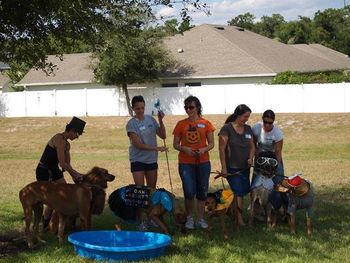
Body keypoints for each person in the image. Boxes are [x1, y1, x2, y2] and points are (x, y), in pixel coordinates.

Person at [36, 116, 86, 229]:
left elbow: (67, 165)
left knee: (64, 193)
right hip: (44, 170)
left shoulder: (67, 145)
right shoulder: (58, 139)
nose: (77, 137)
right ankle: (44, 224)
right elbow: (63, 164)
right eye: (78, 134)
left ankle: (66, 220)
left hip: (54, 170)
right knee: (50, 198)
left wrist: (76, 176)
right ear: (72, 130)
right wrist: (76, 173)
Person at [173, 95, 215, 229]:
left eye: (191, 107)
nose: (188, 110)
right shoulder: (181, 124)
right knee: (189, 191)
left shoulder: (206, 123)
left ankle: (201, 218)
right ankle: (190, 218)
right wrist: (184, 148)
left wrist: (203, 149)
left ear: (197, 107)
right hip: (186, 163)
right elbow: (175, 144)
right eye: (186, 107)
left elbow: (212, 143)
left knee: (202, 191)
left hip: (203, 162)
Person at [218, 104, 255, 226]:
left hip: (245, 168)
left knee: (243, 191)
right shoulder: (226, 129)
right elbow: (221, 149)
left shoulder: (248, 129)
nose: (247, 119)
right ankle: (239, 220)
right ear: (238, 115)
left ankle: (233, 213)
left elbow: (252, 147)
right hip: (232, 168)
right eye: (245, 116)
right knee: (238, 191)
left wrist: (250, 158)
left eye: (248, 117)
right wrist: (224, 167)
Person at [126, 95, 167, 188]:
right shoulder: (131, 124)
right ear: (133, 108)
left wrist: (160, 120)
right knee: (140, 190)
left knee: (151, 189)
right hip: (137, 160)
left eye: (142, 108)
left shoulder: (151, 119)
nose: (140, 111)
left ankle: (150, 203)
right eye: (137, 108)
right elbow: (138, 145)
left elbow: (163, 136)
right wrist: (157, 148)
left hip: (151, 159)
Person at [252, 109, 284, 184]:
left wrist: (275, 167)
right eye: (265, 122)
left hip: (273, 156)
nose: (267, 125)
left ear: (273, 122)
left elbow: (278, 152)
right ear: (262, 119)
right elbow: (253, 144)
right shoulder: (256, 128)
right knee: (257, 177)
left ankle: (279, 193)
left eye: (270, 123)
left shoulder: (277, 133)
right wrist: (257, 157)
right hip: (260, 155)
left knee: (278, 177)